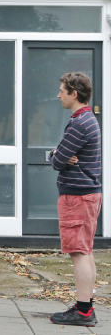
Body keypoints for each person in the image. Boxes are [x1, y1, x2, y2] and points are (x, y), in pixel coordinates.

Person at [49, 72, 102, 327]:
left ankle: (83, 313)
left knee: (79, 253)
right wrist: (59, 154)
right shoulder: (88, 120)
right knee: (86, 251)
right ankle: (85, 306)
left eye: (62, 90)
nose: (58, 95)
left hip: (77, 197)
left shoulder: (80, 124)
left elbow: (58, 161)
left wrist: (56, 154)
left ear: (74, 93)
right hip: (88, 195)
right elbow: (61, 156)